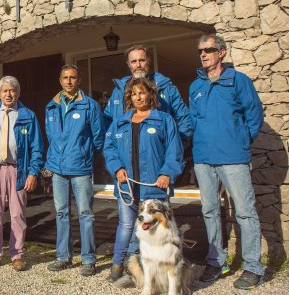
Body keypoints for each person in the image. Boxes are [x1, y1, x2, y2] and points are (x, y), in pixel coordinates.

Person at [190, 35, 265, 290]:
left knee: (245, 211)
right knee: (209, 210)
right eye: (201, 50)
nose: (203, 54)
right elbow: (194, 119)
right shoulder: (195, 86)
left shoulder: (238, 81)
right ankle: (216, 260)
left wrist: (241, 141)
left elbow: (254, 115)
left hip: (233, 157)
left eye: (209, 50)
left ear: (222, 52)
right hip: (203, 159)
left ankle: (253, 266)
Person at [103, 77, 184, 283]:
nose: (138, 97)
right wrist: (117, 168)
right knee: (126, 226)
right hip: (127, 186)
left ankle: (162, 271)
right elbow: (109, 148)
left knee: (158, 231)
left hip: (154, 188)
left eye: (142, 92)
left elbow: (174, 150)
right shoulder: (119, 122)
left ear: (150, 94)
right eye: (133, 94)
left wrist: (167, 173)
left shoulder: (164, 120)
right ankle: (119, 264)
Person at [0, 76, 44, 271]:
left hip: (18, 170)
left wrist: (33, 173)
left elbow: (37, 147)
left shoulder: (28, 115)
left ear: (18, 93)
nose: (8, 94)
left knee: (17, 214)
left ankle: (17, 255)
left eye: (12, 90)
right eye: (4, 91)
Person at [45, 64, 105, 276]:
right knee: (61, 213)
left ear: (79, 81)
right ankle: (63, 257)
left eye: (73, 78)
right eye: (65, 78)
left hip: (80, 168)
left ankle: (88, 259)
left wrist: (85, 154)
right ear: (60, 81)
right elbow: (50, 137)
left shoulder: (89, 106)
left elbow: (99, 138)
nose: (69, 81)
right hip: (58, 170)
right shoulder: (51, 106)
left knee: (85, 213)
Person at [104, 45, 192, 145]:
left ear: (148, 62)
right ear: (129, 65)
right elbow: (107, 121)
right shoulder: (118, 91)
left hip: (156, 153)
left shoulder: (166, 88)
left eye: (142, 60)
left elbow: (184, 119)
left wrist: (175, 148)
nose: (138, 65)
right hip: (125, 152)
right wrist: (112, 149)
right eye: (134, 61)